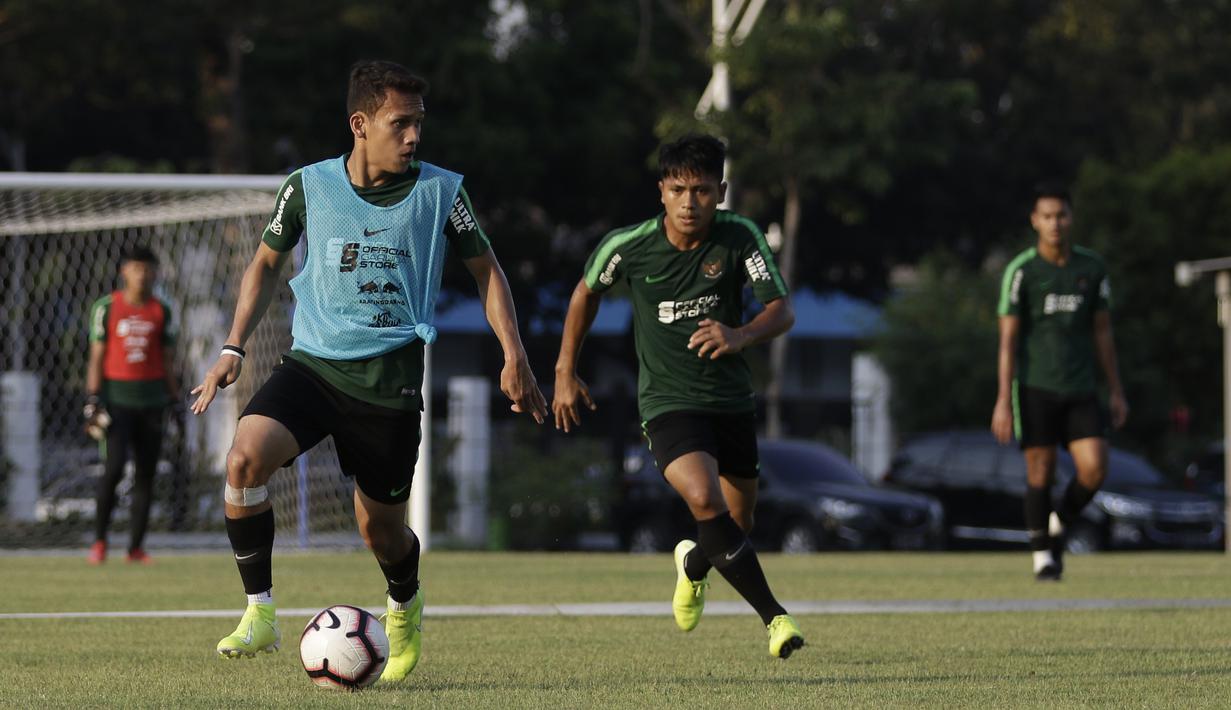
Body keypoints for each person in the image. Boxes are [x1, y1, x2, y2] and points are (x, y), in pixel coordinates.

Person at [190, 60, 547, 679]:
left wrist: (514, 354)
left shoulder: (442, 193)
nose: (413, 137)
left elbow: (487, 271)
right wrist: (233, 347)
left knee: (379, 531)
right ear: (360, 124)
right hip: (313, 366)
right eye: (399, 124)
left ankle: (404, 604)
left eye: (418, 124)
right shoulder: (308, 187)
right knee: (244, 459)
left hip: (388, 383)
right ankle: (260, 611)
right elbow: (266, 264)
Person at [552, 134, 805, 658]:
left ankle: (693, 564)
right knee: (705, 500)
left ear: (721, 192)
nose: (690, 203)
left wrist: (740, 335)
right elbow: (585, 293)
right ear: (662, 191)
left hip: (730, 401)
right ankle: (776, 619)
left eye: (703, 191)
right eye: (679, 190)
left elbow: (781, 310)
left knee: (737, 524)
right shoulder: (630, 245)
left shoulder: (739, 238)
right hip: (668, 402)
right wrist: (564, 371)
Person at [991, 182, 1129, 581]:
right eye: (1047, 216)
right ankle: (1043, 558)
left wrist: (1116, 390)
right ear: (1035, 221)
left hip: (1081, 386)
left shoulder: (1092, 269)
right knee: (1041, 470)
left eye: (1061, 215)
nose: (1055, 223)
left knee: (1095, 469)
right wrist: (1003, 399)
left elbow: (1103, 333)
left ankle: (1058, 520)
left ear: (1071, 218)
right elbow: (1008, 341)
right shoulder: (1022, 271)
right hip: (1035, 386)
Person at [84, 245, 179, 565]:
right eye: (137, 268)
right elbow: (97, 356)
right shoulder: (106, 308)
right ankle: (99, 542)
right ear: (124, 271)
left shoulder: (162, 311)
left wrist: (175, 400)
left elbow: (167, 360)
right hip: (117, 402)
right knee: (113, 469)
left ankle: (135, 548)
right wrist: (93, 399)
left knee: (146, 474)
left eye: (148, 268)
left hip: (152, 403)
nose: (143, 275)